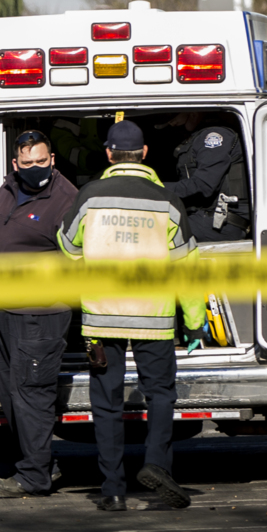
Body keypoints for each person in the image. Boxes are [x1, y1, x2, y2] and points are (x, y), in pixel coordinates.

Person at [58, 120, 208, 512]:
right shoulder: (167, 201)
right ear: (145, 154)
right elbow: (188, 268)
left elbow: (68, 245)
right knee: (160, 395)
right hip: (154, 321)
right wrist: (194, 321)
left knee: (106, 403)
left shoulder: (90, 196)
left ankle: (112, 490)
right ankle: (157, 465)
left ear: (108, 154)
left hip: (101, 319)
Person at [0, 130, 78, 498]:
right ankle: (39, 464)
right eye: (28, 163)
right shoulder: (6, 190)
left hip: (40, 312)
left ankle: (34, 476)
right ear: (14, 164)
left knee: (32, 394)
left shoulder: (66, 199)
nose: (35, 169)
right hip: (4, 310)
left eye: (42, 161)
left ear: (52, 160)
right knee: (10, 392)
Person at [164, 111, 250, 243]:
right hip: (205, 219)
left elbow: (204, 185)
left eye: (172, 116)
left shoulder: (214, 135)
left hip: (217, 223)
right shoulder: (197, 137)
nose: (171, 123)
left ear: (193, 114)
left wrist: (155, 188)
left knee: (152, 234)